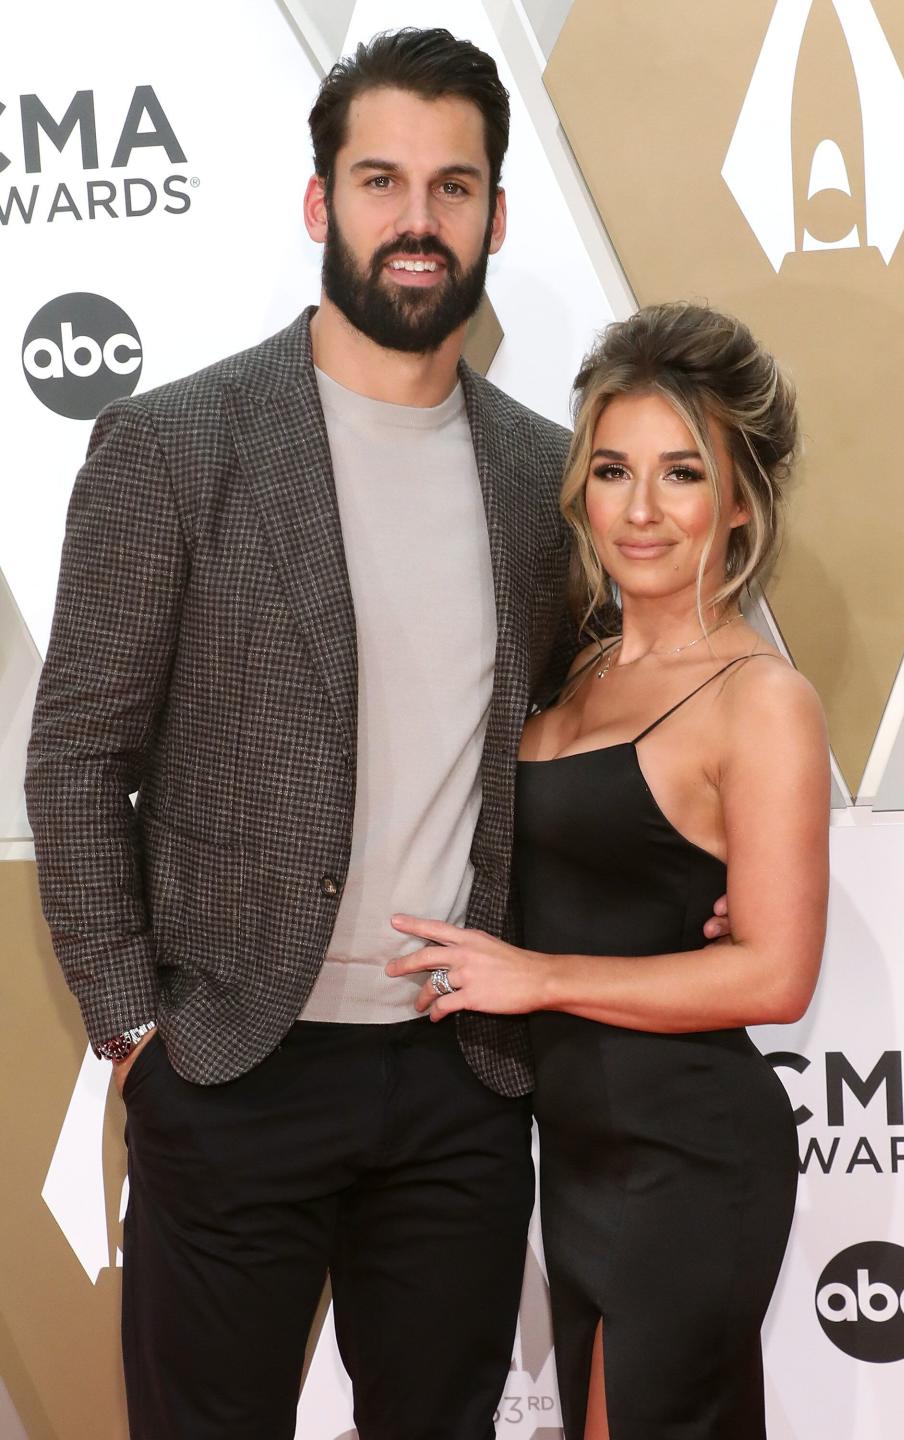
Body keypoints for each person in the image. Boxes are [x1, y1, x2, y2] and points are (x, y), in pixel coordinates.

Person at [25, 28, 729, 1440]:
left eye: (454, 187)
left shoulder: (547, 475)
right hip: (232, 1067)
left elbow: (586, 739)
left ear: (496, 218)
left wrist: (682, 883)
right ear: (319, 204)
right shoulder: (176, 446)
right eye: (382, 181)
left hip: (459, 1080)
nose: (418, 220)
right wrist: (134, 1024)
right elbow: (76, 754)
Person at [388, 303, 830, 1439]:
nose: (640, 511)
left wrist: (538, 978)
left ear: (738, 502)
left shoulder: (760, 698)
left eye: (682, 473)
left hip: (689, 1158)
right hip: (579, 1156)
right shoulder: (573, 670)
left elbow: (775, 978)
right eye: (613, 469)